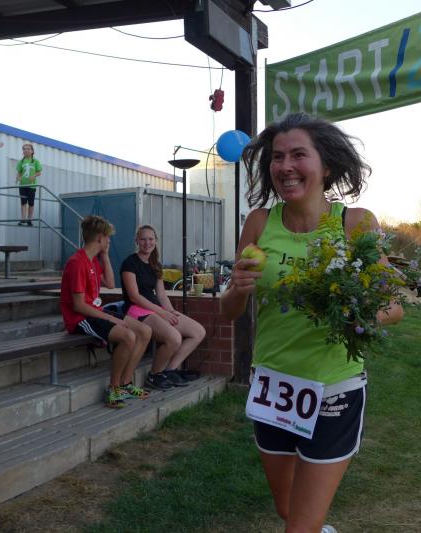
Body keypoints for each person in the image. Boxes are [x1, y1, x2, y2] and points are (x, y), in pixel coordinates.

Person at [221, 113, 404, 533]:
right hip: (271, 387)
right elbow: (230, 312)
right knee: (288, 509)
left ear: (327, 166)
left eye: (298, 155)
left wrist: (354, 313)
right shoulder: (259, 222)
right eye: (277, 157)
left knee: (300, 526)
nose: (285, 166)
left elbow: (394, 307)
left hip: (333, 390)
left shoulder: (355, 223)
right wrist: (238, 289)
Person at [60, 215, 152, 408]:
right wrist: (111, 319)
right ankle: (113, 389)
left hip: (94, 312)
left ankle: (125, 384)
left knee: (144, 331)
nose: (109, 240)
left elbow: (110, 283)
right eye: (107, 237)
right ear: (100, 238)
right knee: (128, 336)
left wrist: (105, 255)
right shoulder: (77, 262)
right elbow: (79, 306)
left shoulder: (92, 259)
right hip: (80, 319)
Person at [120, 225, 206, 391]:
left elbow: (161, 295)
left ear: (156, 241)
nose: (147, 243)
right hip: (136, 310)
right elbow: (134, 296)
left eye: (150, 239)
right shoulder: (129, 263)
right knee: (174, 338)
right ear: (137, 241)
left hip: (156, 309)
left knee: (198, 332)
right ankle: (154, 375)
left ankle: (169, 371)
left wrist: (170, 312)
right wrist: (162, 313)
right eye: (143, 239)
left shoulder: (156, 265)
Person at [15, 143, 42, 226]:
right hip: (22, 185)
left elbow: (39, 172)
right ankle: (23, 219)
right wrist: (18, 177)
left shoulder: (35, 161)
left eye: (28, 149)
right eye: (24, 149)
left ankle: (29, 220)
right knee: (23, 202)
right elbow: (19, 172)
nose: (26, 150)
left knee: (31, 203)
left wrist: (34, 175)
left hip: (32, 186)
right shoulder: (21, 161)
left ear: (32, 151)